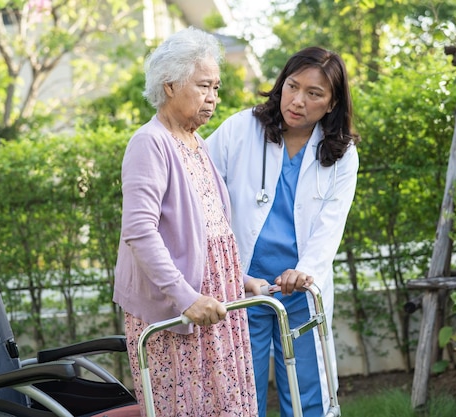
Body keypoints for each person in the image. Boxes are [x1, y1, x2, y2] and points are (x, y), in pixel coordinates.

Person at [113, 27, 270, 417]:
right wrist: (186, 298)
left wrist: (239, 280)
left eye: (216, 87)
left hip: (216, 308)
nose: (213, 97)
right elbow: (140, 231)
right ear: (169, 85)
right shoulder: (150, 143)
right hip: (179, 313)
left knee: (228, 406)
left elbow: (211, 232)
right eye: (204, 86)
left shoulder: (196, 142)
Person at [206, 46, 360, 417]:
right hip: (243, 284)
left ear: (332, 102)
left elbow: (330, 224)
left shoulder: (341, 154)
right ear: (281, 85)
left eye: (314, 94)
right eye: (293, 86)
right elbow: (200, 189)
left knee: (307, 392)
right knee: (244, 389)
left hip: (300, 288)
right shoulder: (241, 128)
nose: (298, 101)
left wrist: (304, 271)